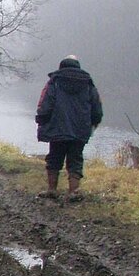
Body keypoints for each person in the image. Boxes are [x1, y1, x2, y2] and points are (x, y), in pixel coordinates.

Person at [35, 55, 103, 202]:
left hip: (57, 127)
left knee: (54, 157)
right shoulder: (88, 83)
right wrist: (94, 122)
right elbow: (97, 107)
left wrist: (42, 120)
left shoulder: (55, 82)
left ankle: (52, 190)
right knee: (76, 159)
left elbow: (45, 104)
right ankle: (74, 191)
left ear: (61, 66)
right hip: (80, 128)